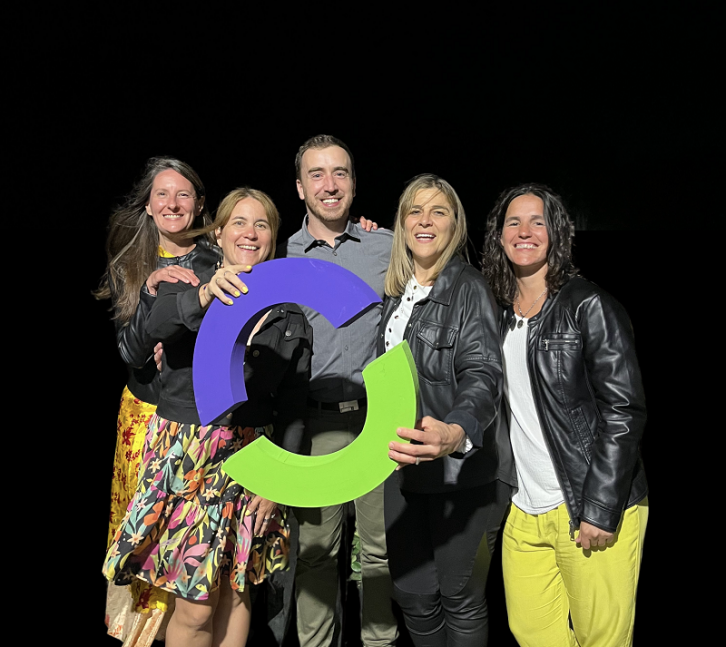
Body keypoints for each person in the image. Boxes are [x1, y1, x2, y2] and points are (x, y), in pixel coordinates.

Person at [103, 187, 313, 647]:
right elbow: (151, 331)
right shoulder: (183, 278)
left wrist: (277, 481)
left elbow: (293, 409)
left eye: (262, 225)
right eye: (239, 222)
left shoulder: (291, 316)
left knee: (236, 595)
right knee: (195, 606)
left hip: (250, 461)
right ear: (218, 232)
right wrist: (201, 295)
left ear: (274, 237)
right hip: (188, 458)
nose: (250, 233)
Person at [481, 183, 648, 647]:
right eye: (513, 222)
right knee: (532, 633)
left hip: (588, 505)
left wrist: (599, 507)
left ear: (557, 233)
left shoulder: (589, 306)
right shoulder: (497, 313)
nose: (525, 231)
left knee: (602, 640)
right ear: (498, 237)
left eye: (538, 221)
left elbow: (624, 412)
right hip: (525, 509)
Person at [379, 174, 513, 647]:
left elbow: (482, 372)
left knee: (461, 598)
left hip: (464, 474)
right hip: (402, 470)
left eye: (439, 211)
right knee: (412, 594)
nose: (425, 221)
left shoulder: (468, 286)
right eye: (415, 210)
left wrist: (456, 431)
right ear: (401, 223)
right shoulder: (395, 294)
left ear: (455, 224)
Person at [277, 135, 398, 647]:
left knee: (380, 553)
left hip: (378, 421)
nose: (330, 185)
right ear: (300, 187)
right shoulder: (280, 254)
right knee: (315, 555)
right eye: (318, 175)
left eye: (340, 173)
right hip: (315, 426)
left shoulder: (386, 246)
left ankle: (380, 642)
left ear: (354, 182)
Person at [95, 157, 220, 642]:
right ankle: (142, 633)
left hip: (200, 419)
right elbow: (129, 352)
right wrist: (152, 302)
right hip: (146, 419)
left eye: (184, 194)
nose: (172, 204)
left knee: (190, 549)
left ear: (200, 204)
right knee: (147, 539)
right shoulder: (130, 261)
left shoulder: (216, 257)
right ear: (147, 205)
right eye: (162, 195)